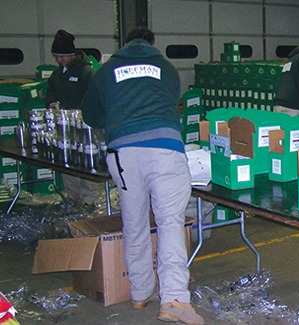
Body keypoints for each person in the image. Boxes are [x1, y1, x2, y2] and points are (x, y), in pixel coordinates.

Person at [80, 27, 203, 324]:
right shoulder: (166, 67)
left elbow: (91, 116)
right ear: (151, 44)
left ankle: (139, 293)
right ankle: (173, 299)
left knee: (133, 221)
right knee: (169, 222)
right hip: (163, 149)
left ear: (124, 45)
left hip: (123, 153)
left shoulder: (106, 70)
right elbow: (172, 101)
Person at [45, 29, 101, 205]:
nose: (60, 60)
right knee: (67, 160)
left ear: (72, 55)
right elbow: (50, 91)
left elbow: (94, 96)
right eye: (57, 57)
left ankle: (89, 199)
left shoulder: (85, 72)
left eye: (63, 57)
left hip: (85, 125)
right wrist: (51, 102)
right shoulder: (57, 74)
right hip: (64, 124)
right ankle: (72, 196)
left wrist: (78, 112)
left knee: (86, 161)